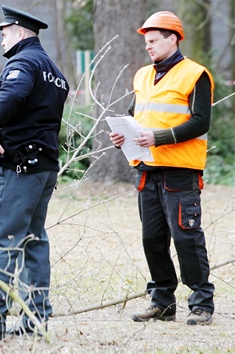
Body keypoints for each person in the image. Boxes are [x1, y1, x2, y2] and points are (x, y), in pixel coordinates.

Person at [0, 5, 69, 339]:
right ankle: (36, 319)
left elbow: (11, 96)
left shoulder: (23, 63)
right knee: (34, 241)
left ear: (21, 32)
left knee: (1, 240)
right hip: (44, 167)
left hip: (17, 167)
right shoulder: (54, 71)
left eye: (5, 33)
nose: (1, 41)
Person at [109, 11, 215, 326]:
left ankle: (202, 303)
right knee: (152, 239)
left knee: (186, 237)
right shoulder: (142, 75)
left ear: (173, 39)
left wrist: (158, 137)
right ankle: (162, 302)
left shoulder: (196, 74)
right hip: (147, 171)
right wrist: (122, 135)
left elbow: (200, 122)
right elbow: (135, 115)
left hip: (181, 171)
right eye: (146, 42)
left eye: (154, 41)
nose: (149, 47)